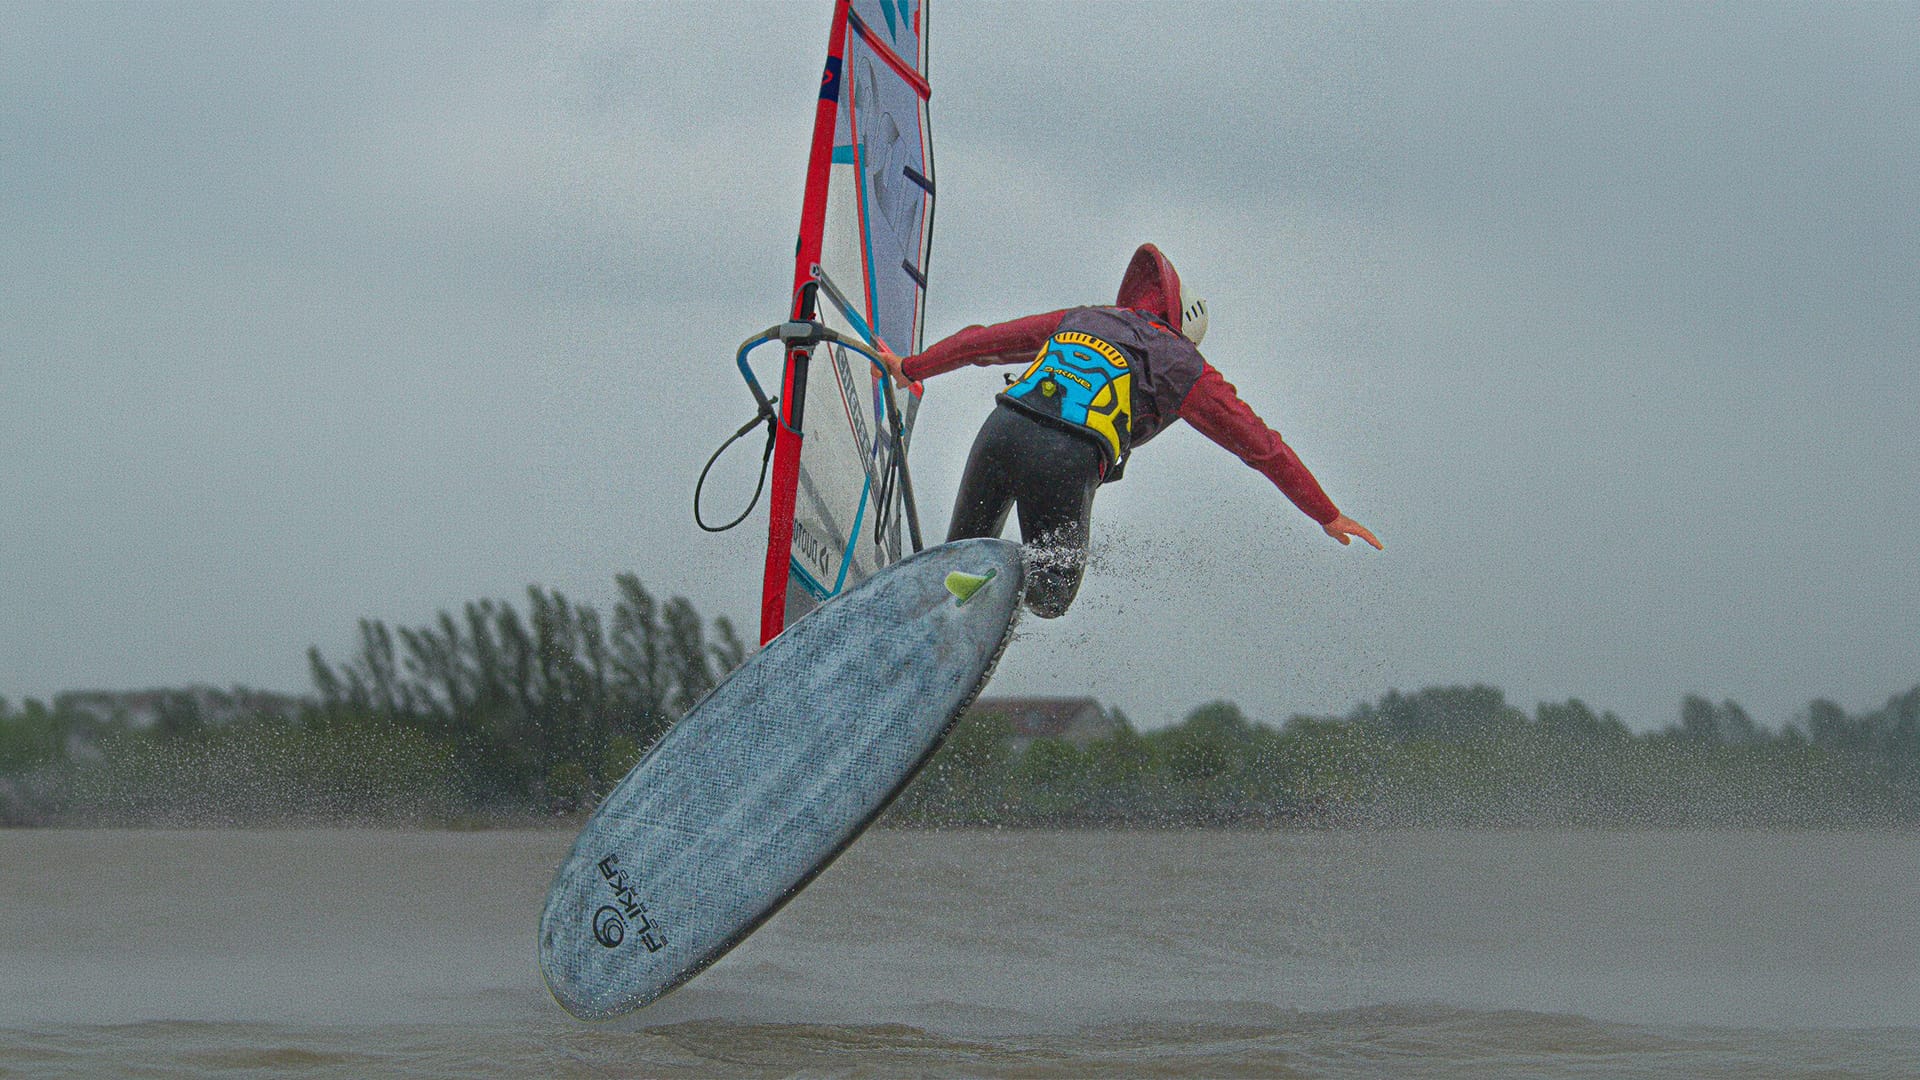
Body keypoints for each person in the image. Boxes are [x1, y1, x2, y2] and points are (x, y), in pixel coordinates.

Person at [876, 243, 1380, 618]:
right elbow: (1261, 447)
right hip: (1064, 456)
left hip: (1000, 431)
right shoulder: (1186, 367)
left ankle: (924, 614)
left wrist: (911, 367)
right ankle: (996, 577)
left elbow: (985, 343)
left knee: (953, 567)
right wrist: (1326, 513)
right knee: (1051, 594)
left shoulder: (1086, 317)